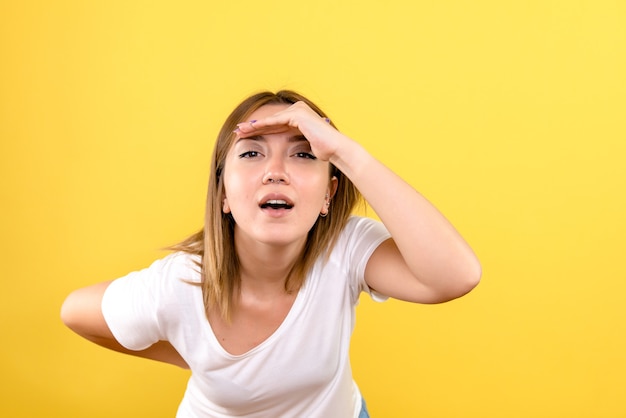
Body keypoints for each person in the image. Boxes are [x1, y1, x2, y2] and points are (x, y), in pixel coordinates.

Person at [61, 90, 481, 418]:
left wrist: (343, 152)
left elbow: (455, 276)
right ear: (224, 193)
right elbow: (75, 311)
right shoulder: (180, 284)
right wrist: (188, 355)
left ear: (328, 195)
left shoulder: (345, 248)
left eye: (303, 153)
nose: (275, 170)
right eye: (251, 152)